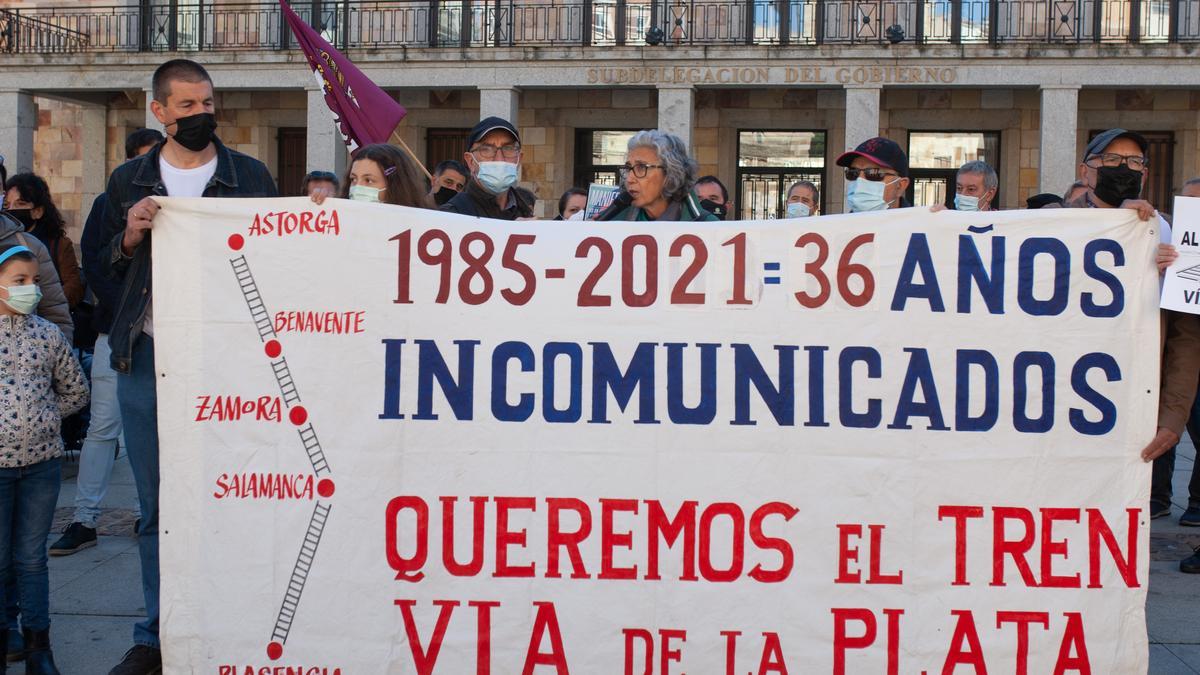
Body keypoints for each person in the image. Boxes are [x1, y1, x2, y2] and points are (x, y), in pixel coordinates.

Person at [99, 58, 278, 675]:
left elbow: (278, 262)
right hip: (148, 361)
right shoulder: (127, 180)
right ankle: (157, 631)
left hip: (228, 362)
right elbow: (101, 271)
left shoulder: (249, 176)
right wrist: (127, 236)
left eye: (207, 103)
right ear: (160, 113)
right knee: (158, 505)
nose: (201, 114)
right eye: (187, 106)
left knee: (235, 496)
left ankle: (233, 619)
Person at [50, 128, 162, 559]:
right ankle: (85, 518)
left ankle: (144, 512)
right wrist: (128, 315)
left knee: (150, 435)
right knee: (103, 429)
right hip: (116, 332)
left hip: (167, 336)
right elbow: (98, 266)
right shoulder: (109, 204)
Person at [0, 244, 90, 673]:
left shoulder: (47, 334)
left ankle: (40, 648)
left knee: (32, 558)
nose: (29, 290)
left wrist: (44, 418)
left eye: (34, 281)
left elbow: (76, 389)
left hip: (42, 464)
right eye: (19, 282)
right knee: (0, 558)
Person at [596, 130, 718, 223]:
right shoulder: (613, 221)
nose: (629, 179)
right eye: (628, 168)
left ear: (671, 173)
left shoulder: (707, 226)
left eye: (642, 167)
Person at [3, 174, 83, 308]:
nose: (11, 210)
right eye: (7, 205)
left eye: (20, 204)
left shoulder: (58, 245)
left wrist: (39, 303)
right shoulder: (4, 241)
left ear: (38, 211)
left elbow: (73, 286)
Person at [441, 116, 534, 220]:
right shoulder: (450, 216)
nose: (499, 158)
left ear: (519, 160)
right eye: (486, 150)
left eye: (508, 148)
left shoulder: (525, 211)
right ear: (470, 161)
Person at [835, 137, 911, 212]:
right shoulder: (837, 224)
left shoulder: (918, 223)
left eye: (874, 173)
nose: (859, 181)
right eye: (853, 172)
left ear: (900, 186)